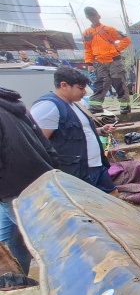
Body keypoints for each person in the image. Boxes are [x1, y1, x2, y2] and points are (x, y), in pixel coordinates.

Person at [31, 66, 119, 197]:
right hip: (76, 169)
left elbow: (77, 132)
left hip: (95, 164)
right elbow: (37, 144)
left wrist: (100, 130)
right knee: (87, 203)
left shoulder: (74, 104)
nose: (85, 92)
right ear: (64, 85)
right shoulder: (48, 107)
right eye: (81, 88)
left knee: (113, 195)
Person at [0, 87, 59, 274]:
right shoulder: (14, 104)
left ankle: (65, 284)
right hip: (38, 179)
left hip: (12, 187)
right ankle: (17, 280)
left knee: (44, 241)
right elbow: (45, 143)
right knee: (11, 238)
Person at [82, 6, 132, 114]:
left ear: (98, 16)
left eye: (94, 16)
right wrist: (89, 63)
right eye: (90, 16)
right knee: (100, 84)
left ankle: (125, 106)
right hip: (100, 62)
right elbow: (87, 49)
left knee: (119, 83)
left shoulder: (108, 30)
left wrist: (115, 50)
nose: (92, 18)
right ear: (87, 18)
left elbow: (126, 40)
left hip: (114, 61)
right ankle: (96, 106)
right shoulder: (87, 33)